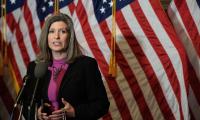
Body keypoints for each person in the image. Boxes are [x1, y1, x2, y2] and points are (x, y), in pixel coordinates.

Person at [22, 13, 110, 120]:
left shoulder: (86, 65)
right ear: (46, 36)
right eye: (52, 31)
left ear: (70, 37)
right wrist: (36, 114)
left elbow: (102, 104)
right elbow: (26, 104)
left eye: (62, 31)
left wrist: (75, 112)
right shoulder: (35, 67)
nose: (56, 36)